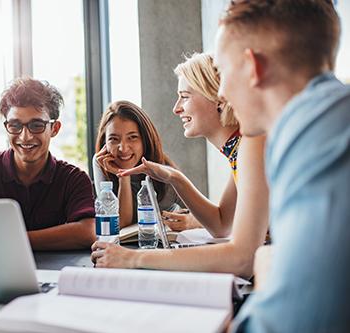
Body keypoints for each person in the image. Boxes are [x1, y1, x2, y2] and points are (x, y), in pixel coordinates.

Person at [213, 0, 349, 331]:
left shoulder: (316, 131)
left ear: (251, 67)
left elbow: (296, 321)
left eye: (222, 71)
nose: (221, 91)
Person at [91, 53, 269, 278]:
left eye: (184, 96)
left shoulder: (252, 146)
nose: (176, 108)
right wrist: (175, 177)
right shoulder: (239, 151)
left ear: (218, 98)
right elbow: (222, 224)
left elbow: (242, 259)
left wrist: (132, 258)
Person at [0, 77, 96, 250]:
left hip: (57, 274)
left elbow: (87, 232)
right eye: (15, 125)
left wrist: (7, 241)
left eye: (36, 125)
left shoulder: (74, 179)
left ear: (55, 129)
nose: (25, 136)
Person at [93, 100, 184, 229]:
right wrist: (123, 176)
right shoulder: (102, 161)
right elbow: (120, 224)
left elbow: (201, 216)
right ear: (104, 142)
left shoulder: (163, 170)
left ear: (145, 140)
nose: (123, 148)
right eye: (114, 139)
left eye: (132, 137)